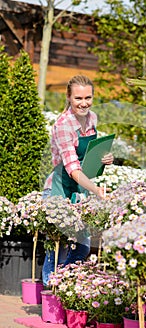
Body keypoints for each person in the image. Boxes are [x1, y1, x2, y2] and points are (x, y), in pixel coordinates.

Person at [42, 75, 114, 286]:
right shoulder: (63, 125)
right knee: (57, 246)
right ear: (69, 97)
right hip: (59, 188)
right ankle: (51, 292)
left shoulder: (92, 118)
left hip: (79, 188)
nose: (84, 103)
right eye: (78, 98)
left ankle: (63, 284)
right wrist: (96, 190)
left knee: (82, 246)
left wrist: (105, 158)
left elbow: (88, 156)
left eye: (88, 97)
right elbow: (72, 168)